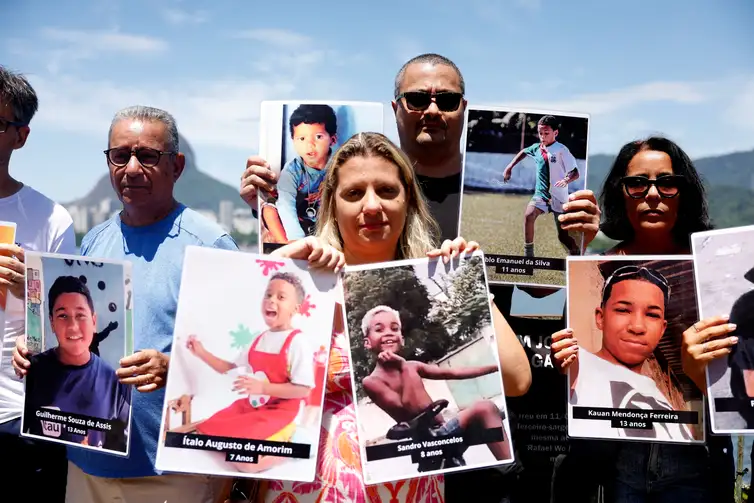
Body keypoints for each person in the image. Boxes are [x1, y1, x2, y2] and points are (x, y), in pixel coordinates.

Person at [241, 132, 530, 502]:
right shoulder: (303, 287)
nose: (372, 205)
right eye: (354, 193)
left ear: (408, 199)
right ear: (332, 205)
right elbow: (238, 378)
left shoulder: (433, 271)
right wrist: (280, 265)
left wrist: (465, 274)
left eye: (387, 191)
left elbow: (518, 379)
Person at [14, 105, 240, 503]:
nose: (132, 168)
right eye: (120, 156)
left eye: (148, 156)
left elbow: (242, 358)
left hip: (172, 473)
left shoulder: (211, 246)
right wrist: (35, 350)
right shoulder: (95, 241)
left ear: (177, 165)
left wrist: (173, 367)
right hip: (87, 463)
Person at [551, 136, 735, 502]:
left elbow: (737, 385)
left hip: (696, 463)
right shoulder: (593, 265)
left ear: (684, 192)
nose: (653, 194)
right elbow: (571, 352)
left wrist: (704, 375)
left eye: (667, 182)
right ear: (621, 193)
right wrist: (566, 361)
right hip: (611, 465)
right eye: (637, 183)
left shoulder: (718, 269)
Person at [240, 53, 468, 243]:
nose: (433, 110)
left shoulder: (490, 193)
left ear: (463, 108)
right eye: (417, 99)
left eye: (448, 100)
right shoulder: (357, 190)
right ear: (395, 108)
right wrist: (261, 200)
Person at [0, 65, 74, 503]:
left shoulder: (51, 218)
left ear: (21, 136)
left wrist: (28, 291)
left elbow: (68, 331)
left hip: (19, 416)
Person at [185, 271, 315, 474]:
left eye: (281, 297)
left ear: (295, 309)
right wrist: (201, 352)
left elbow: (303, 390)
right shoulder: (258, 339)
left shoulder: (298, 342)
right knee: (205, 432)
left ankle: (291, 445)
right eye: (268, 294)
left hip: (279, 413)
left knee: (245, 462)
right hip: (252, 407)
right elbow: (229, 369)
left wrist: (263, 387)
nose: (271, 300)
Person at [361, 305, 512, 462]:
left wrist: (496, 368)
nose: (388, 333)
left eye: (394, 328)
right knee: (484, 408)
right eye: (379, 330)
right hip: (425, 440)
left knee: (491, 415)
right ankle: (511, 468)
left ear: (402, 339)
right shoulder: (372, 381)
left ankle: (508, 465)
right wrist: (402, 366)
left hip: (444, 430)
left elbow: (454, 373)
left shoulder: (413, 365)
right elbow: (410, 411)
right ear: (367, 343)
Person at [566, 265, 695, 442]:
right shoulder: (577, 364)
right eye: (623, 310)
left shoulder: (661, 398)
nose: (637, 327)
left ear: (662, 329)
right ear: (600, 318)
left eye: (652, 315)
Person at [22, 275, 131, 452]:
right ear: (51, 322)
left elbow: (120, 440)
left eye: (80, 315)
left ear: (94, 322)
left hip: (92, 475)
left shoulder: (114, 381)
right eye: (63, 315)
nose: (73, 327)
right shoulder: (32, 369)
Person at [502, 115, 581, 257]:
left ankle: (576, 253)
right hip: (541, 195)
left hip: (559, 197)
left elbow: (575, 173)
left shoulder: (561, 150)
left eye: (546, 133)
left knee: (563, 237)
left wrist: (566, 180)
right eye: (540, 133)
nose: (542, 136)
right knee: (528, 215)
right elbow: (523, 152)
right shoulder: (536, 148)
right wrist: (509, 167)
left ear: (555, 133)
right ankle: (528, 256)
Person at [267, 104, 338, 243]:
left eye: (318, 137)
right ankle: (287, 246)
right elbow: (286, 205)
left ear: (332, 140)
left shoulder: (339, 165)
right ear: (293, 140)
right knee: (269, 209)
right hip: (300, 222)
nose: (309, 145)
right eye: (302, 139)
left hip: (327, 223)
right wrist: (296, 239)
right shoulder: (292, 171)